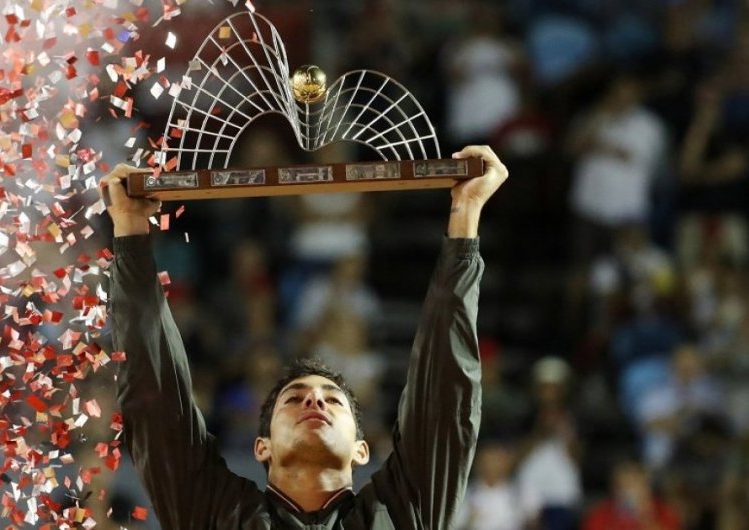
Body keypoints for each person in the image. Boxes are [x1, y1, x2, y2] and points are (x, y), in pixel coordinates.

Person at [100, 145, 508, 529]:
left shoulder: (401, 515)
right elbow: (157, 406)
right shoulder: (220, 514)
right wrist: (131, 235)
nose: (314, 399)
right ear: (262, 447)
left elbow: (444, 402)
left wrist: (466, 215)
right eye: (294, 399)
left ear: (361, 451)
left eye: (332, 400)